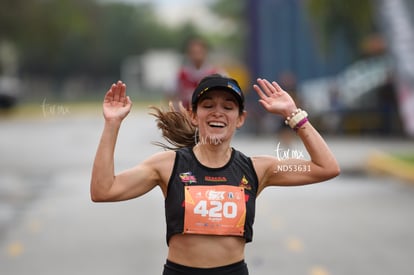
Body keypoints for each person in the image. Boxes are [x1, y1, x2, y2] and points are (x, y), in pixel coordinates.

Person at [91, 74, 340, 275]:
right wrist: (112, 124)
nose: (217, 112)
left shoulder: (257, 168)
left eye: (228, 107)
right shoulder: (168, 165)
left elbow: (326, 167)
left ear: (240, 119)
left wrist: (293, 114)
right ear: (193, 115)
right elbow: (104, 190)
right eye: (208, 105)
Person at [171, 38, 223, 109]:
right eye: (193, 52)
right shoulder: (180, 75)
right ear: (188, 53)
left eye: (199, 52)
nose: (196, 56)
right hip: (186, 116)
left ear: (205, 52)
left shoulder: (217, 74)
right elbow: (171, 96)